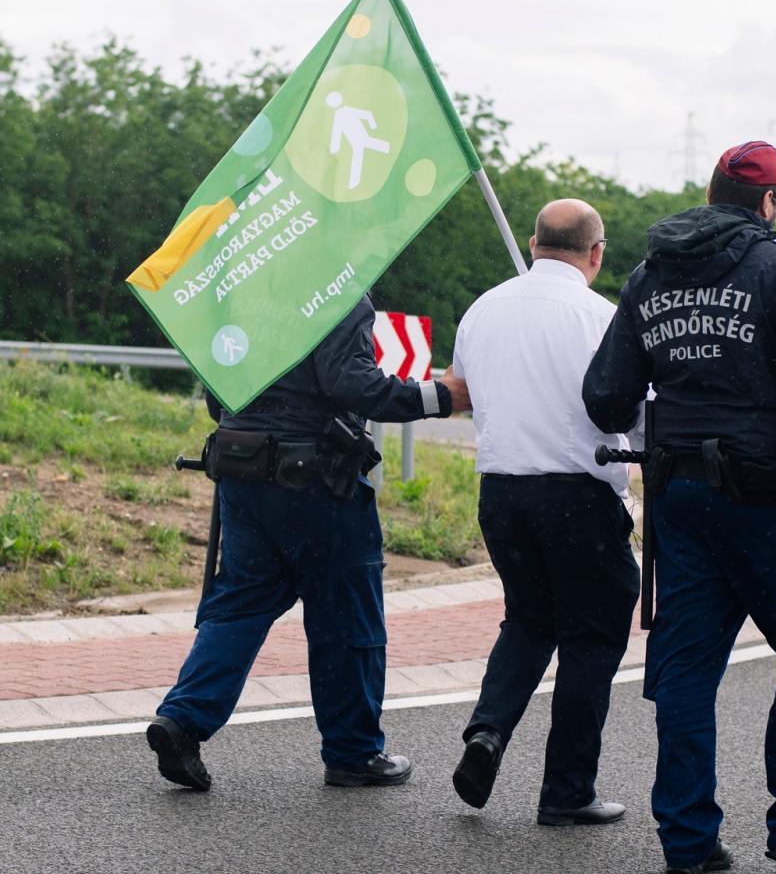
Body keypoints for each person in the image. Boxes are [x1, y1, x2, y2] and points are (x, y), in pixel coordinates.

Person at [583, 141, 776, 874]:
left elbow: (604, 398)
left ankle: (689, 847)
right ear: (766, 203)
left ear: (708, 192)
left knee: (688, 676)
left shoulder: (648, 275)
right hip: (764, 499)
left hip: (679, 501)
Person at [144, 296, 470, 791]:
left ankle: (182, 721)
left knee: (239, 604)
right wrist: (441, 397)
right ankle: (353, 753)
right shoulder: (334, 295)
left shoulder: (240, 298)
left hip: (242, 470)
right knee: (346, 615)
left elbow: (218, 395)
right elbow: (355, 385)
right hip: (315, 482)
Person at [446, 198, 640, 827]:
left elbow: (460, 389)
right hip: (578, 496)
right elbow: (635, 413)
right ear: (597, 253)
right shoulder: (602, 318)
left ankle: (488, 733)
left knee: (528, 620)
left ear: (532, 244)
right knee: (592, 636)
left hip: (500, 491)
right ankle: (567, 790)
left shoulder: (481, 309)